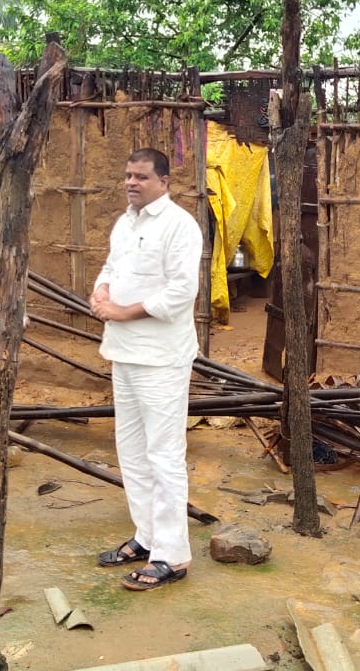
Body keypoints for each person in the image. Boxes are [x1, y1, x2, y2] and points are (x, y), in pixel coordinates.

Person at [90, 148, 203, 591]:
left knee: (164, 455)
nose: (131, 183)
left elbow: (180, 293)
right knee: (132, 451)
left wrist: (122, 311)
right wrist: (101, 291)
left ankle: (172, 556)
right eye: (127, 175)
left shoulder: (180, 226)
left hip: (162, 357)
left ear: (163, 181)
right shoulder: (125, 222)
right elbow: (112, 266)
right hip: (123, 353)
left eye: (140, 176)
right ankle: (147, 536)